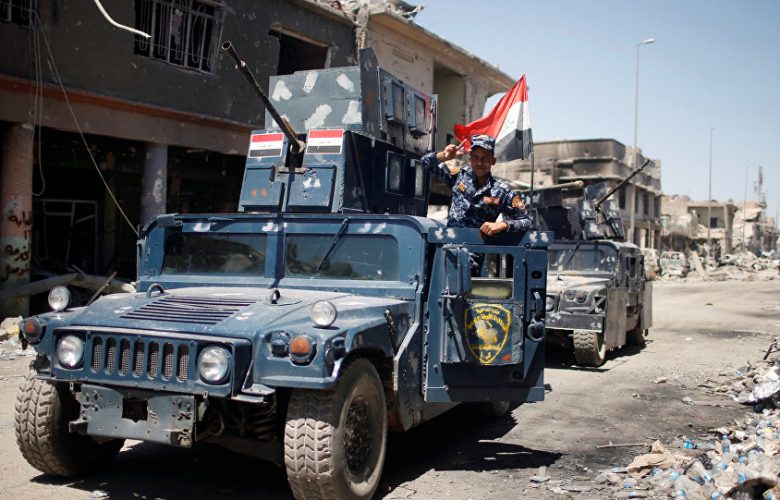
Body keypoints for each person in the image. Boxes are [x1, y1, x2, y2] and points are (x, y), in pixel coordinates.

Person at [421, 134, 533, 235]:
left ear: (493, 161)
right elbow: (425, 162)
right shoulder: (458, 176)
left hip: (477, 248)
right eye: (476, 157)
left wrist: (502, 225)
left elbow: (527, 221)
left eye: (485, 158)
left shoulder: (501, 191)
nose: (480, 163)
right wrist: (444, 156)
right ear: (470, 159)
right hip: (450, 245)